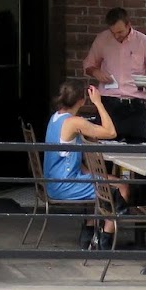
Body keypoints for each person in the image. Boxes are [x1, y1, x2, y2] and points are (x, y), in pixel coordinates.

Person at [43, 80, 119, 248]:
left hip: (54, 183)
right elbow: (111, 132)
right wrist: (98, 102)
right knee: (121, 188)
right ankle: (105, 239)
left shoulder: (55, 118)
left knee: (112, 182)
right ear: (82, 100)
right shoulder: (74, 122)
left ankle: (89, 232)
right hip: (66, 185)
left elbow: (68, 158)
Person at [82, 8, 146, 143]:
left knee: (139, 147)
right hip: (109, 102)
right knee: (104, 145)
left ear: (128, 25)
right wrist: (96, 72)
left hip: (135, 103)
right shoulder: (103, 39)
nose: (116, 36)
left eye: (120, 32)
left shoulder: (144, 41)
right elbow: (89, 65)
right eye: (113, 32)